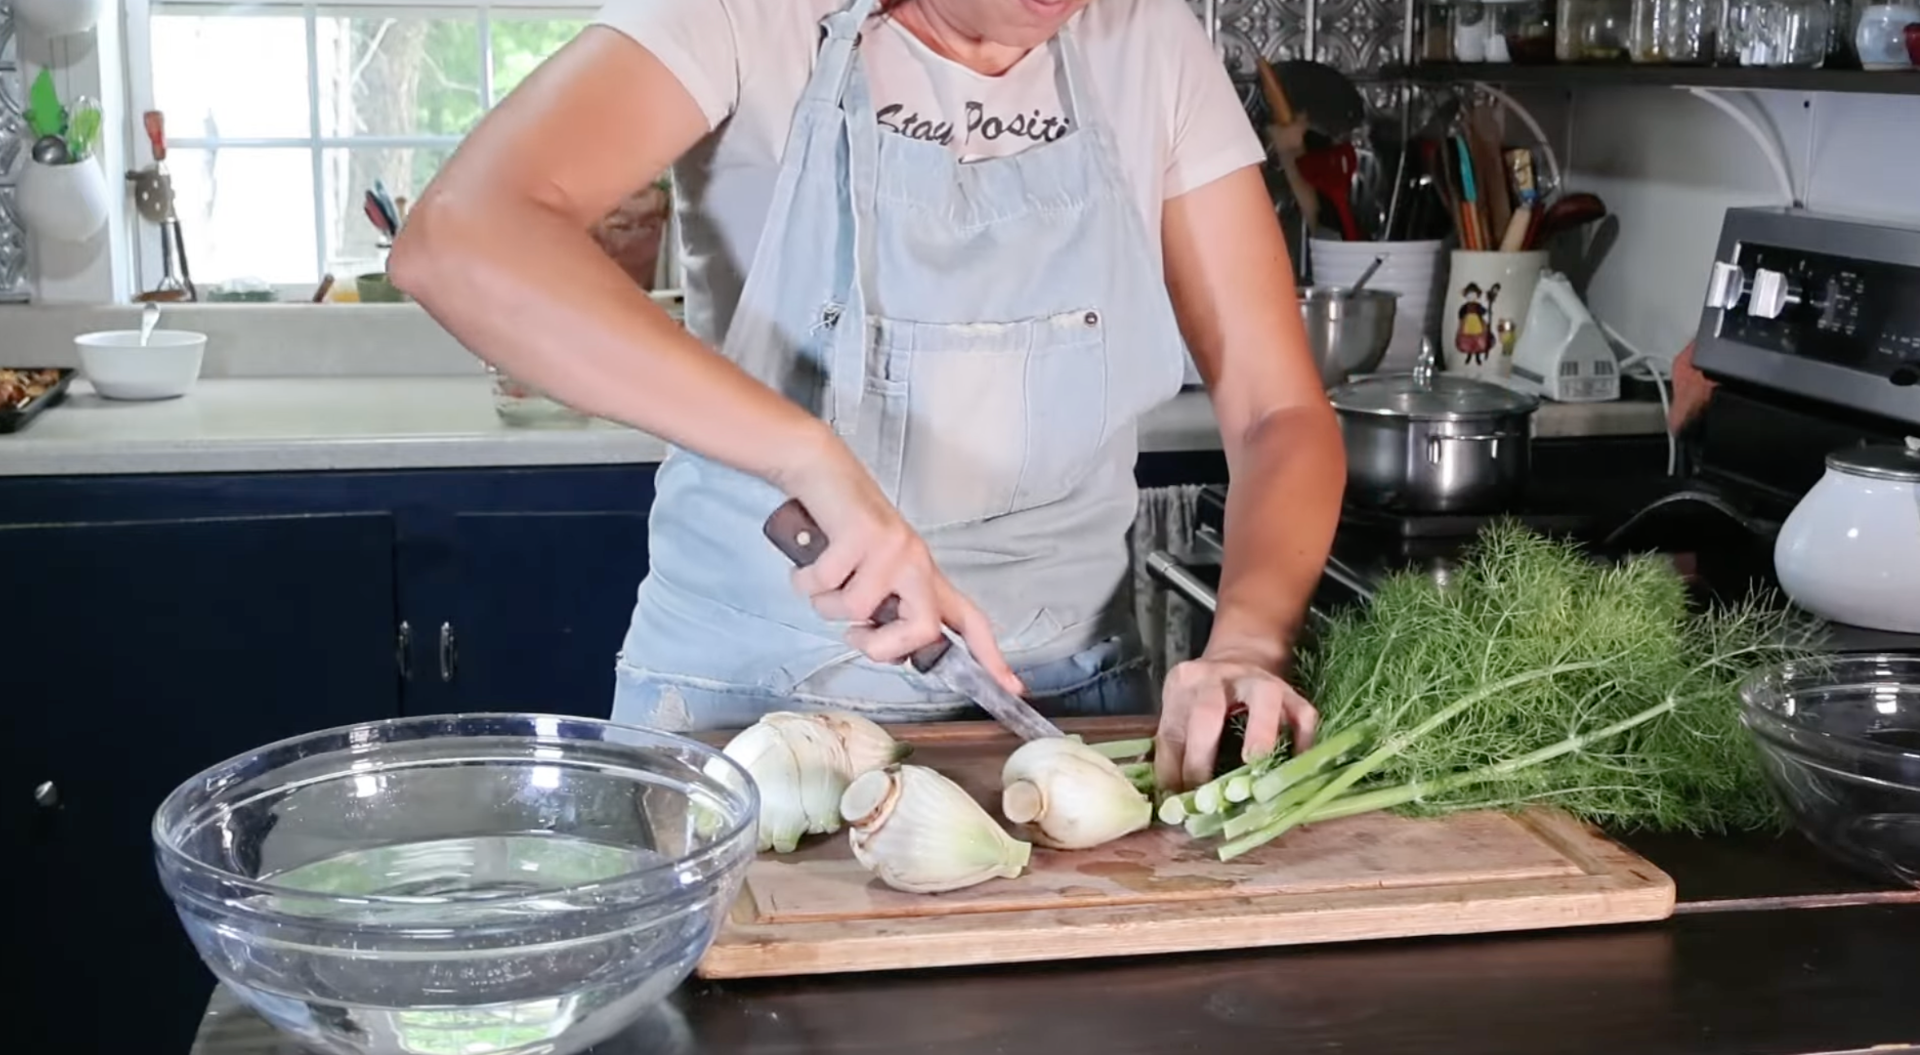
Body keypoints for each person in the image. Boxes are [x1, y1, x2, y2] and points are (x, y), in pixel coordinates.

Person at [388, 0, 1345, 792]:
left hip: (1072, 718)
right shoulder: (746, 15)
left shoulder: (1149, 39)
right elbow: (460, 238)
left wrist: (1251, 642)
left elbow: (1278, 414)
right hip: (748, 719)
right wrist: (808, 455)